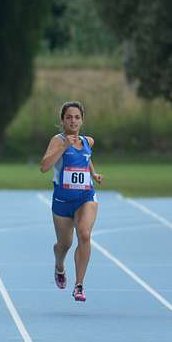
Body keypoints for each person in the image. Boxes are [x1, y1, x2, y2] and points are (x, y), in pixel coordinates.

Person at [39, 102, 103, 302]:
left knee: (84, 234)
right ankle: (59, 265)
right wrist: (63, 147)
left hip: (85, 197)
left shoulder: (88, 141)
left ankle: (79, 285)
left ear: (82, 120)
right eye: (69, 117)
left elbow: (85, 158)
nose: (73, 121)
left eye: (77, 117)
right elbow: (44, 167)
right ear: (62, 120)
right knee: (64, 244)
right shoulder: (57, 140)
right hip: (62, 200)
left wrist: (93, 174)